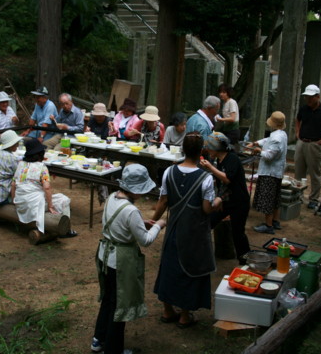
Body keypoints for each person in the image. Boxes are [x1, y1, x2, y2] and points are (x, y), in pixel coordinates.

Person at [91, 164, 166, 354]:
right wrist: (158, 225)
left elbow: (120, 224)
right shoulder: (131, 211)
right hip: (119, 262)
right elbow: (146, 240)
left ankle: (98, 339)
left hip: (104, 255)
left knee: (109, 299)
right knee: (120, 305)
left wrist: (140, 224)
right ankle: (113, 349)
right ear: (136, 190)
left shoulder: (110, 198)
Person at [151, 133, 222, 328]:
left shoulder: (169, 172)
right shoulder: (206, 179)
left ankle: (167, 311)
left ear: (183, 150)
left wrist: (152, 220)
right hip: (194, 233)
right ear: (201, 152)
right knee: (191, 270)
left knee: (169, 267)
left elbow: (163, 201)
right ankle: (184, 315)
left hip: (173, 229)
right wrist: (218, 201)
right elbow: (207, 209)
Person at [200, 132, 251, 262]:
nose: (208, 150)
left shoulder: (232, 158)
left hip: (239, 202)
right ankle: (201, 254)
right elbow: (221, 183)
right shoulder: (220, 159)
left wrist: (210, 167)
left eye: (210, 147)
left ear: (217, 148)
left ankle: (245, 260)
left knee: (238, 233)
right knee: (209, 222)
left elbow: (227, 179)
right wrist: (220, 198)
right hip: (227, 201)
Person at [12, 139, 77, 237]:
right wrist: (50, 206)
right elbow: (47, 188)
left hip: (20, 201)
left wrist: (14, 201)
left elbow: (13, 185)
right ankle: (66, 230)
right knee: (64, 200)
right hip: (34, 203)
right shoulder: (42, 167)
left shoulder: (21, 164)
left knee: (51, 198)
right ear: (40, 154)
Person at [249, 111, 288, 234]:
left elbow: (269, 156)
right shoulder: (281, 134)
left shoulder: (276, 138)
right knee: (275, 198)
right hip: (276, 171)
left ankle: (268, 225)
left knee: (268, 199)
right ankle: (275, 221)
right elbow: (268, 139)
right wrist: (257, 143)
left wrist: (258, 151)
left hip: (270, 172)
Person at [0, 130, 22, 205]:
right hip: (2, 197)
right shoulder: (11, 158)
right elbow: (18, 176)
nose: (18, 145)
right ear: (12, 145)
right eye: (16, 143)